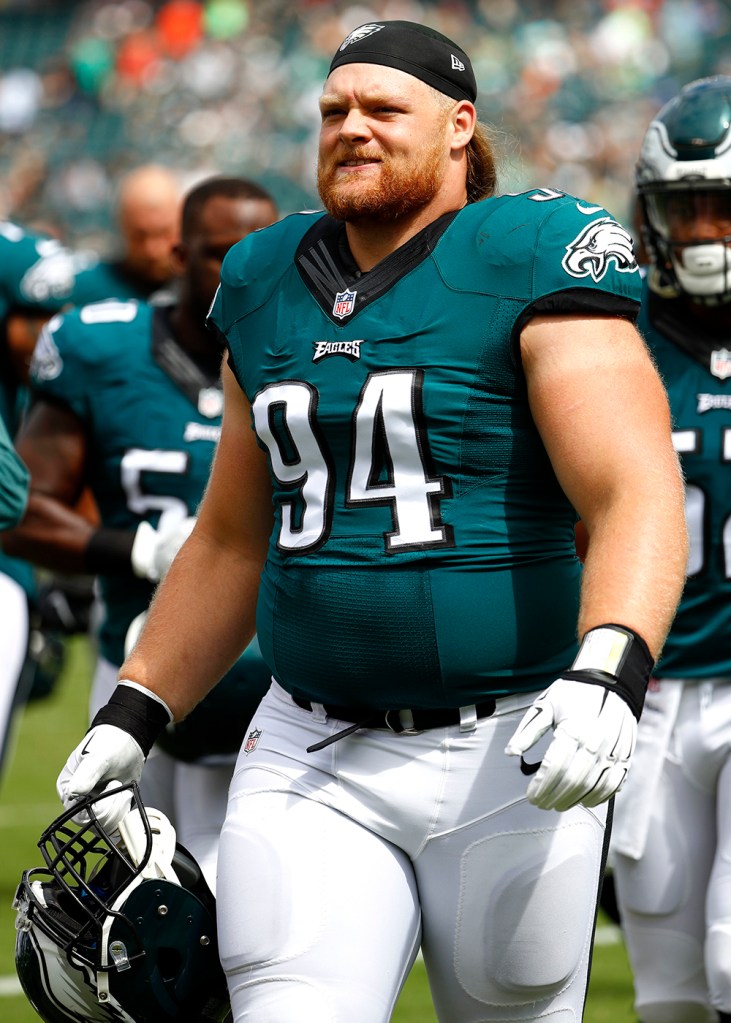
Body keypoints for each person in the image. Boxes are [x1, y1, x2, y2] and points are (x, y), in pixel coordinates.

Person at [54, 21, 688, 1023]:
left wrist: (609, 664)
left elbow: (631, 491)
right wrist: (138, 706)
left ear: (457, 127)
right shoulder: (261, 277)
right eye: (333, 111)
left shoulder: (527, 252)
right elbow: (228, 537)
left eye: (382, 108)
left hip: (509, 749)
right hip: (309, 746)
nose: (351, 128)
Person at [3, 175, 279, 887]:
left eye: (260, 252)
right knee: (146, 915)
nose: (243, 272)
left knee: (265, 921)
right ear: (178, 255)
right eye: (222, 253)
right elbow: (20, 507)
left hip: (283, 683)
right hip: (139, 662)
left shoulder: (317, 349)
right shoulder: (102, 347)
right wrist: (139, 548)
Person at [607, 75, 731, 1023]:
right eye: (684, 212)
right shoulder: (606, 340)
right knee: (670, 989)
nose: (702, 236)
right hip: (643, 691)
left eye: (722, 212)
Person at [69, 163, 183, 305]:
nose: (152, 250)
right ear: (122, 226)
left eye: (163, 233)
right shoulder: (91, 291)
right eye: (139, 236)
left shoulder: (204, 288)